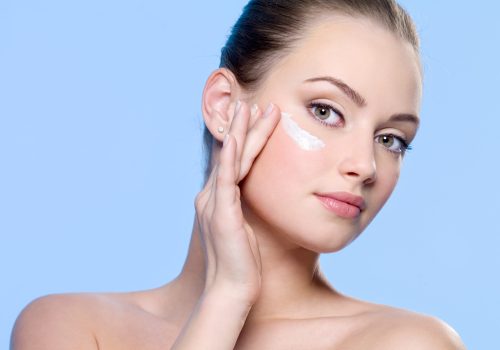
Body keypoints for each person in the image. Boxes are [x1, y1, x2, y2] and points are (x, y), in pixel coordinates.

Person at [11, 0, 466, 349]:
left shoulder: (406, 343)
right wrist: (225, 298)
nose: (365, 166)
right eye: (325, 111)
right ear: (224, 106)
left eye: (391, 139)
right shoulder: (70, 328)